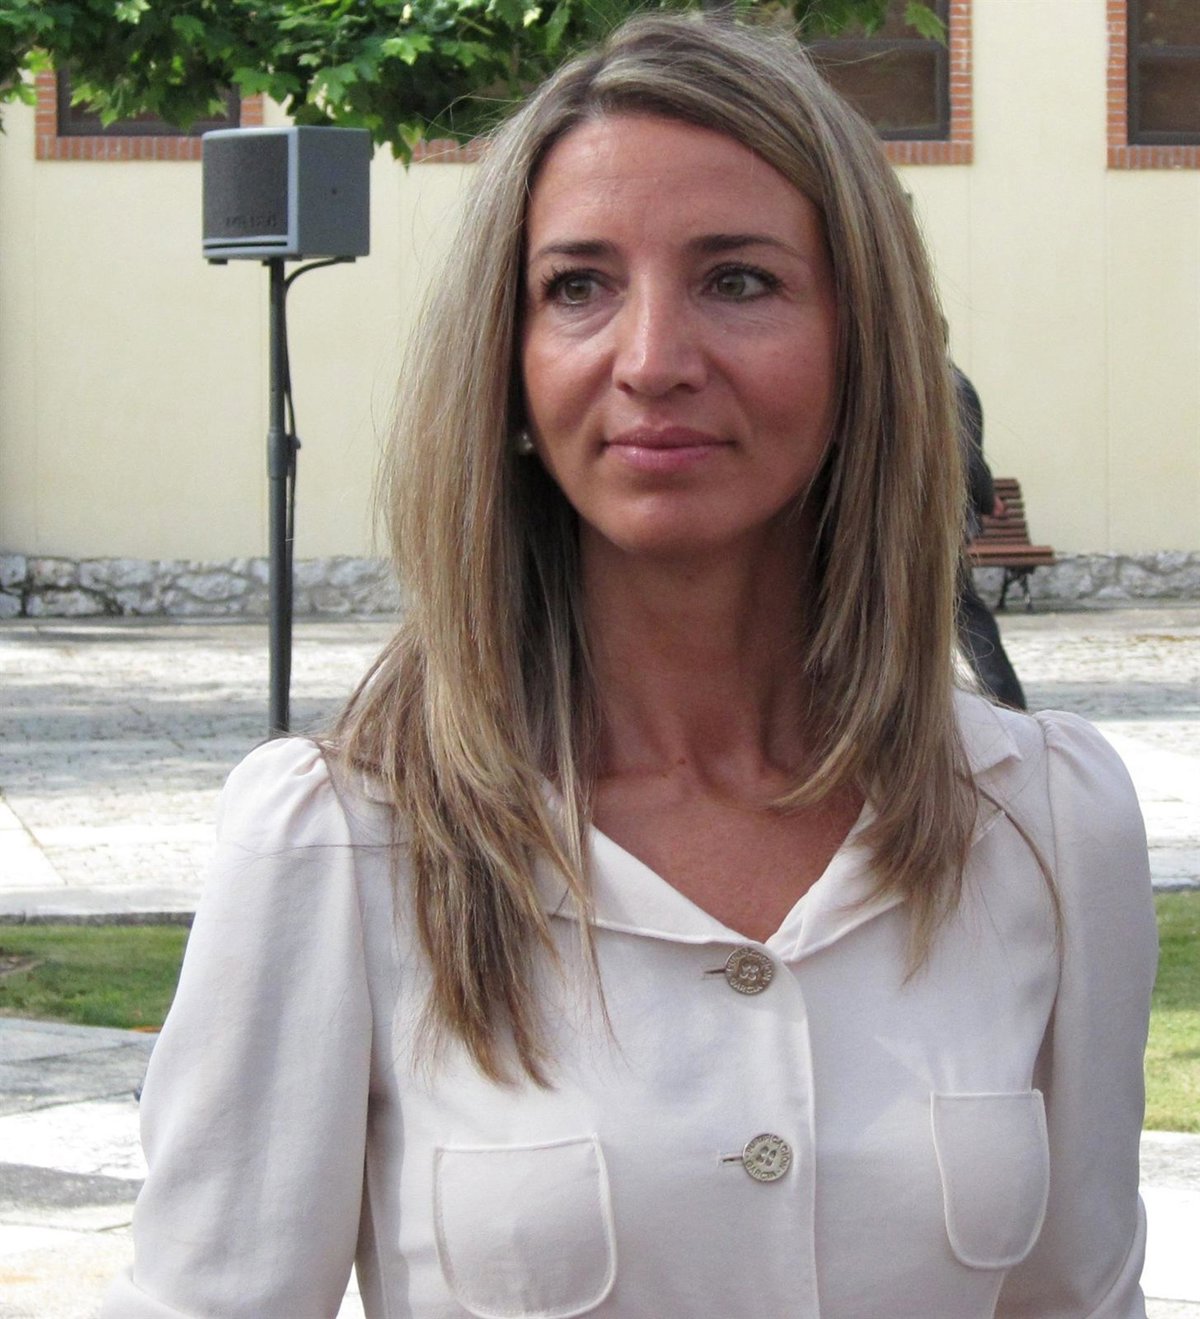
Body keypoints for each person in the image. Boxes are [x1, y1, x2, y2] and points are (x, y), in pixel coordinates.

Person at [104, 15, 1157, 1318]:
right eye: (578, 287)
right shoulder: (345, 840)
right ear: (508, 364)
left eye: (740, 280)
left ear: (862, 342)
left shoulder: (1045, 821)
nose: (653, 361)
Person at [954, 365, 1028, 709]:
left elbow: (968, 459)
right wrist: (985, 499)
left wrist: (985, 498)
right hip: (938, 521)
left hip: (929, 521)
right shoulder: (951, 381)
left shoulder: (941, 383)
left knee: (963, 611)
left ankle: (1005, 701)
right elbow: (973, 458)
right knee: (962, 610)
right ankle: (1006, 701)